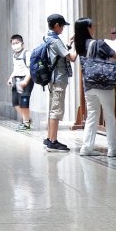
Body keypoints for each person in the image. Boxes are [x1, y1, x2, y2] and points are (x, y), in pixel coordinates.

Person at [74, 18, 116, 157]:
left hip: (88, 85)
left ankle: (86, 148)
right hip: (104, 84)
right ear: (88, 28)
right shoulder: (99, 43)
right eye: (92, 26)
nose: (94, 28)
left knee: (92, 115)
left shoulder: (79, 45)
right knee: (109, 115)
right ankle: (112, 149)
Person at [43, 13, 77, 152]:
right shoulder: (55, 41)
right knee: (56, 110)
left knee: (52, 108)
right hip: (58, 79)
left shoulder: (48, 37)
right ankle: (53, 141)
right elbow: (72, 58)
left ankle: (49, 138)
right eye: (62, 26)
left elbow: (59, 55)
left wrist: (69, 43)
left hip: (52, 78)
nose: (63, 28)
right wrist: (79, 46)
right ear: (56, 25)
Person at [7, 34, 33, 131]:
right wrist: (10, 78)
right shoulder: (14, 55)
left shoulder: (27, 53)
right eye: (13, 43)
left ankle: (26, 124)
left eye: (17, 43)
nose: (15, 45)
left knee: (24, 103)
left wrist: (25, 81)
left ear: (22, 43)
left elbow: (31, 69)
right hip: (16, 80)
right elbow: (16, 69)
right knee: (15, 103)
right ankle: (27, 119)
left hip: (26, 80)